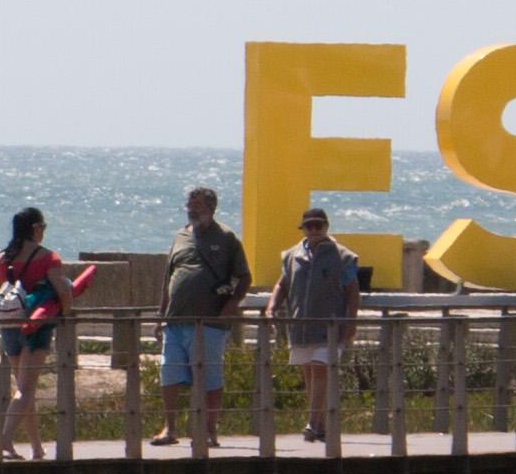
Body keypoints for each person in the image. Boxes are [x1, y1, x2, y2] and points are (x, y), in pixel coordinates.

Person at [0, 207, 83, 458]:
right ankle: (3, 438)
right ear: (35, 229)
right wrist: (66, 314)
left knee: (24, 389)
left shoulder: (1, 259)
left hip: (9, 325)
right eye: (43, 227)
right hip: (37, 327)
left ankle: (36, 447)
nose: (44, 232)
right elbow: (64, 290)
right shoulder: (47, 257)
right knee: (26, 388)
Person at [150, 186, 250, 446]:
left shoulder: (226, 237)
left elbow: (244, 276)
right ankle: (170, 428)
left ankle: (208, 431)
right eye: (190, 204)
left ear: (211, 208)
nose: (192, 209)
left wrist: (231, 305)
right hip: (175, 319)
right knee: (169, 374)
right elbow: (169, 278)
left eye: (198, 205)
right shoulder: (180, 236)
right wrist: (161, 315)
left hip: (209, 321)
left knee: (209, 376)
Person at [266, 205, 367, 442]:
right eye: (308, 226)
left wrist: (351, 321)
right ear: (303, 229)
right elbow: (282, 284)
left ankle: (312, 422)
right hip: (300, 326)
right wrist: (271, 307)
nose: (313, 230)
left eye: (318, 226)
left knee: (321, 368)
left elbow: (353, 291)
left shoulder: (343, 256)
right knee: (309, 374)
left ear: (326, 227)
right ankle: (320, 424)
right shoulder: (292, 255)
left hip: (330, 326)